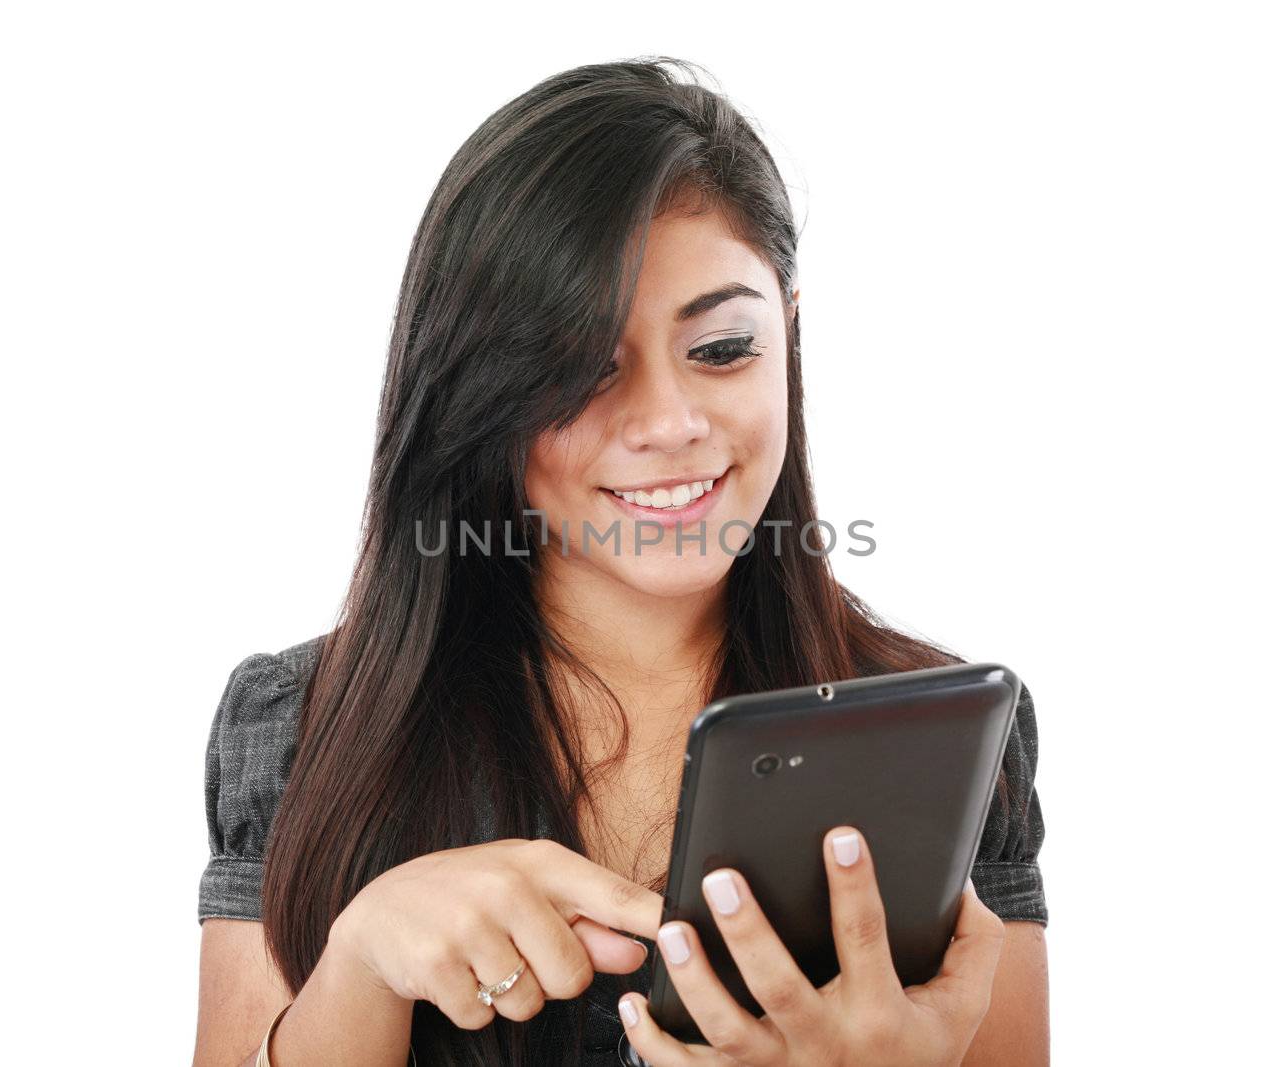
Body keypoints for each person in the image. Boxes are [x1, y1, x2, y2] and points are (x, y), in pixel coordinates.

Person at [193, 56, 1048, 1067]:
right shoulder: (301, 722)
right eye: (579, 368)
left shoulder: (933, 728)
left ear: (790, 332)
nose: (667, 424)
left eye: (724, 348)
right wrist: (359, 970)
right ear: (478, 392)